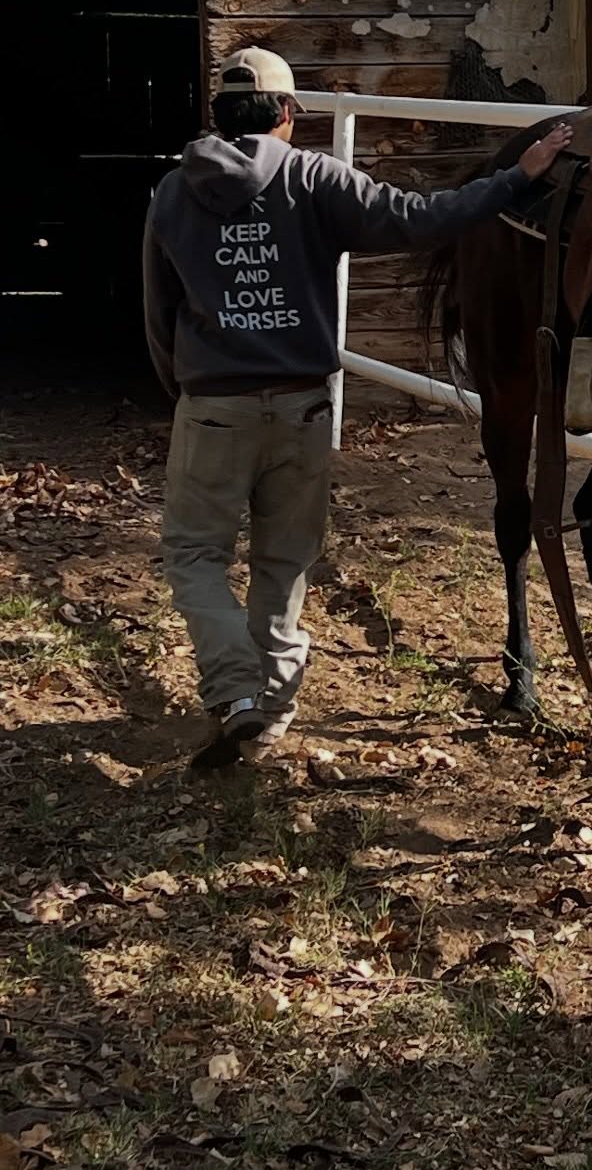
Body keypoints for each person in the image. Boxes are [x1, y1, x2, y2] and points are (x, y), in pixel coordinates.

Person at [143, 46, 570, 767]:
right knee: (285, 559)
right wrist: (515, 178)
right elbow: (421, 219)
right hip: (304, 402)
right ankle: (270, 707)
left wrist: (181, 383)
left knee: (194, 555)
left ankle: (235, 691)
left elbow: (159, 307)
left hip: (215, 402)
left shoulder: (171, 193)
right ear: (285, 115)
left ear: (218, 115)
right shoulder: (313, 179)